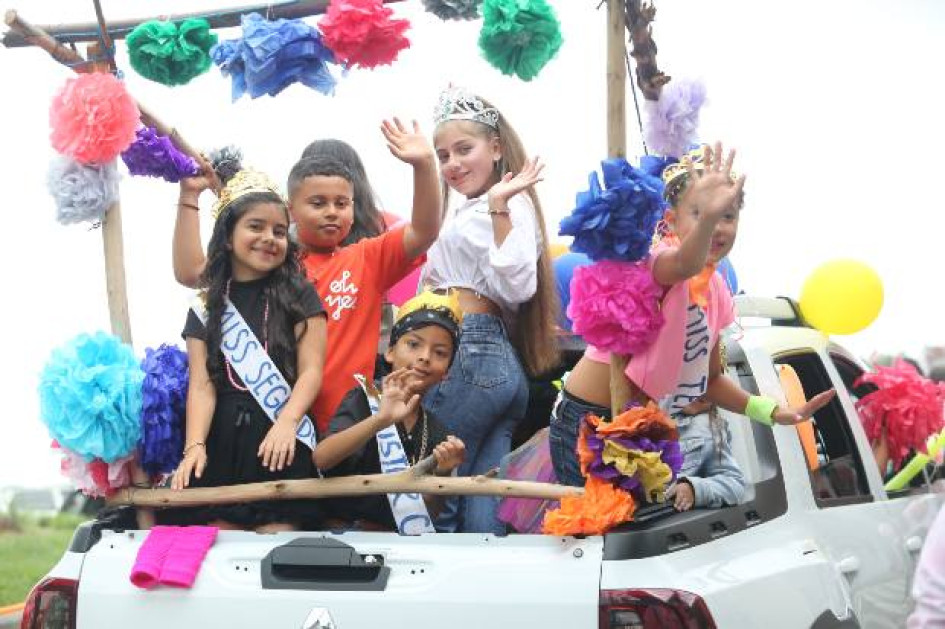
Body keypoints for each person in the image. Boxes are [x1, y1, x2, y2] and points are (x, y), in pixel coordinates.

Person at [550, 143, 836, 488]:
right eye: (699, 214)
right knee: (600, 538)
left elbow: (711, 381)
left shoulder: (717, 291)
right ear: (670, 220)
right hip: (587, 420)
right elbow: (687, 262)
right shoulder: (657, 263)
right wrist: (711, 218)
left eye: (727, 216)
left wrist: (773, 412)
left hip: (636, 427)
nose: (717, 226)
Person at [173, 120, 440, 432]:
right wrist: (189, 197)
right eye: (318, 203)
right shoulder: (274, 260)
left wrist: (424, 166)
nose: (331, 212)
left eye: (341, 204)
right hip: (280, 427)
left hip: (348, 427)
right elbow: (192, 273)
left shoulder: (369, 258)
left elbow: (424, 231)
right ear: (290, 210)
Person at [422, 87, 560, 534]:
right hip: (493, 360)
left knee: (432, 479)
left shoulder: (507, 203)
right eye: (443, 155)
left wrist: (499, 204)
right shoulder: (476, 209)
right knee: (479, 500)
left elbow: (518, 285)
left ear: (496, 147)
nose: (452, 164)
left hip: (474, 353)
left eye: (464, 149)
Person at [170, 164, 328, 532]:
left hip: (279, 439)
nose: (269, 238)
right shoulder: (207, 305)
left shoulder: (300, 295)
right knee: (215, 546)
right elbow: (202, 386)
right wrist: (194, 446)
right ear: (228, 236)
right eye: (255, 227)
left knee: (277, 545)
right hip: (221, 442)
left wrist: (288, 422)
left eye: (278, 230)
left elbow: (311, 372)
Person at [314, 290, 466, 532]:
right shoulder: (364, 399)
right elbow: (322, 458)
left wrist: (443, 472)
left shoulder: (436, 430)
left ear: (447, 371)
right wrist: (380, 419)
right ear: (391, 351)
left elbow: (429, 514)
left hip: (396, 542)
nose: (425, 357)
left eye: (440, 353)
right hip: (342, 537)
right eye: (414, 344)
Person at [670, 400, 746, 511]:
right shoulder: (642, 414)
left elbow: (734, 484)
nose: (701, 393)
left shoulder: (707, 426)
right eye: (691, 383)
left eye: (710, 387)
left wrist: (694, 489)